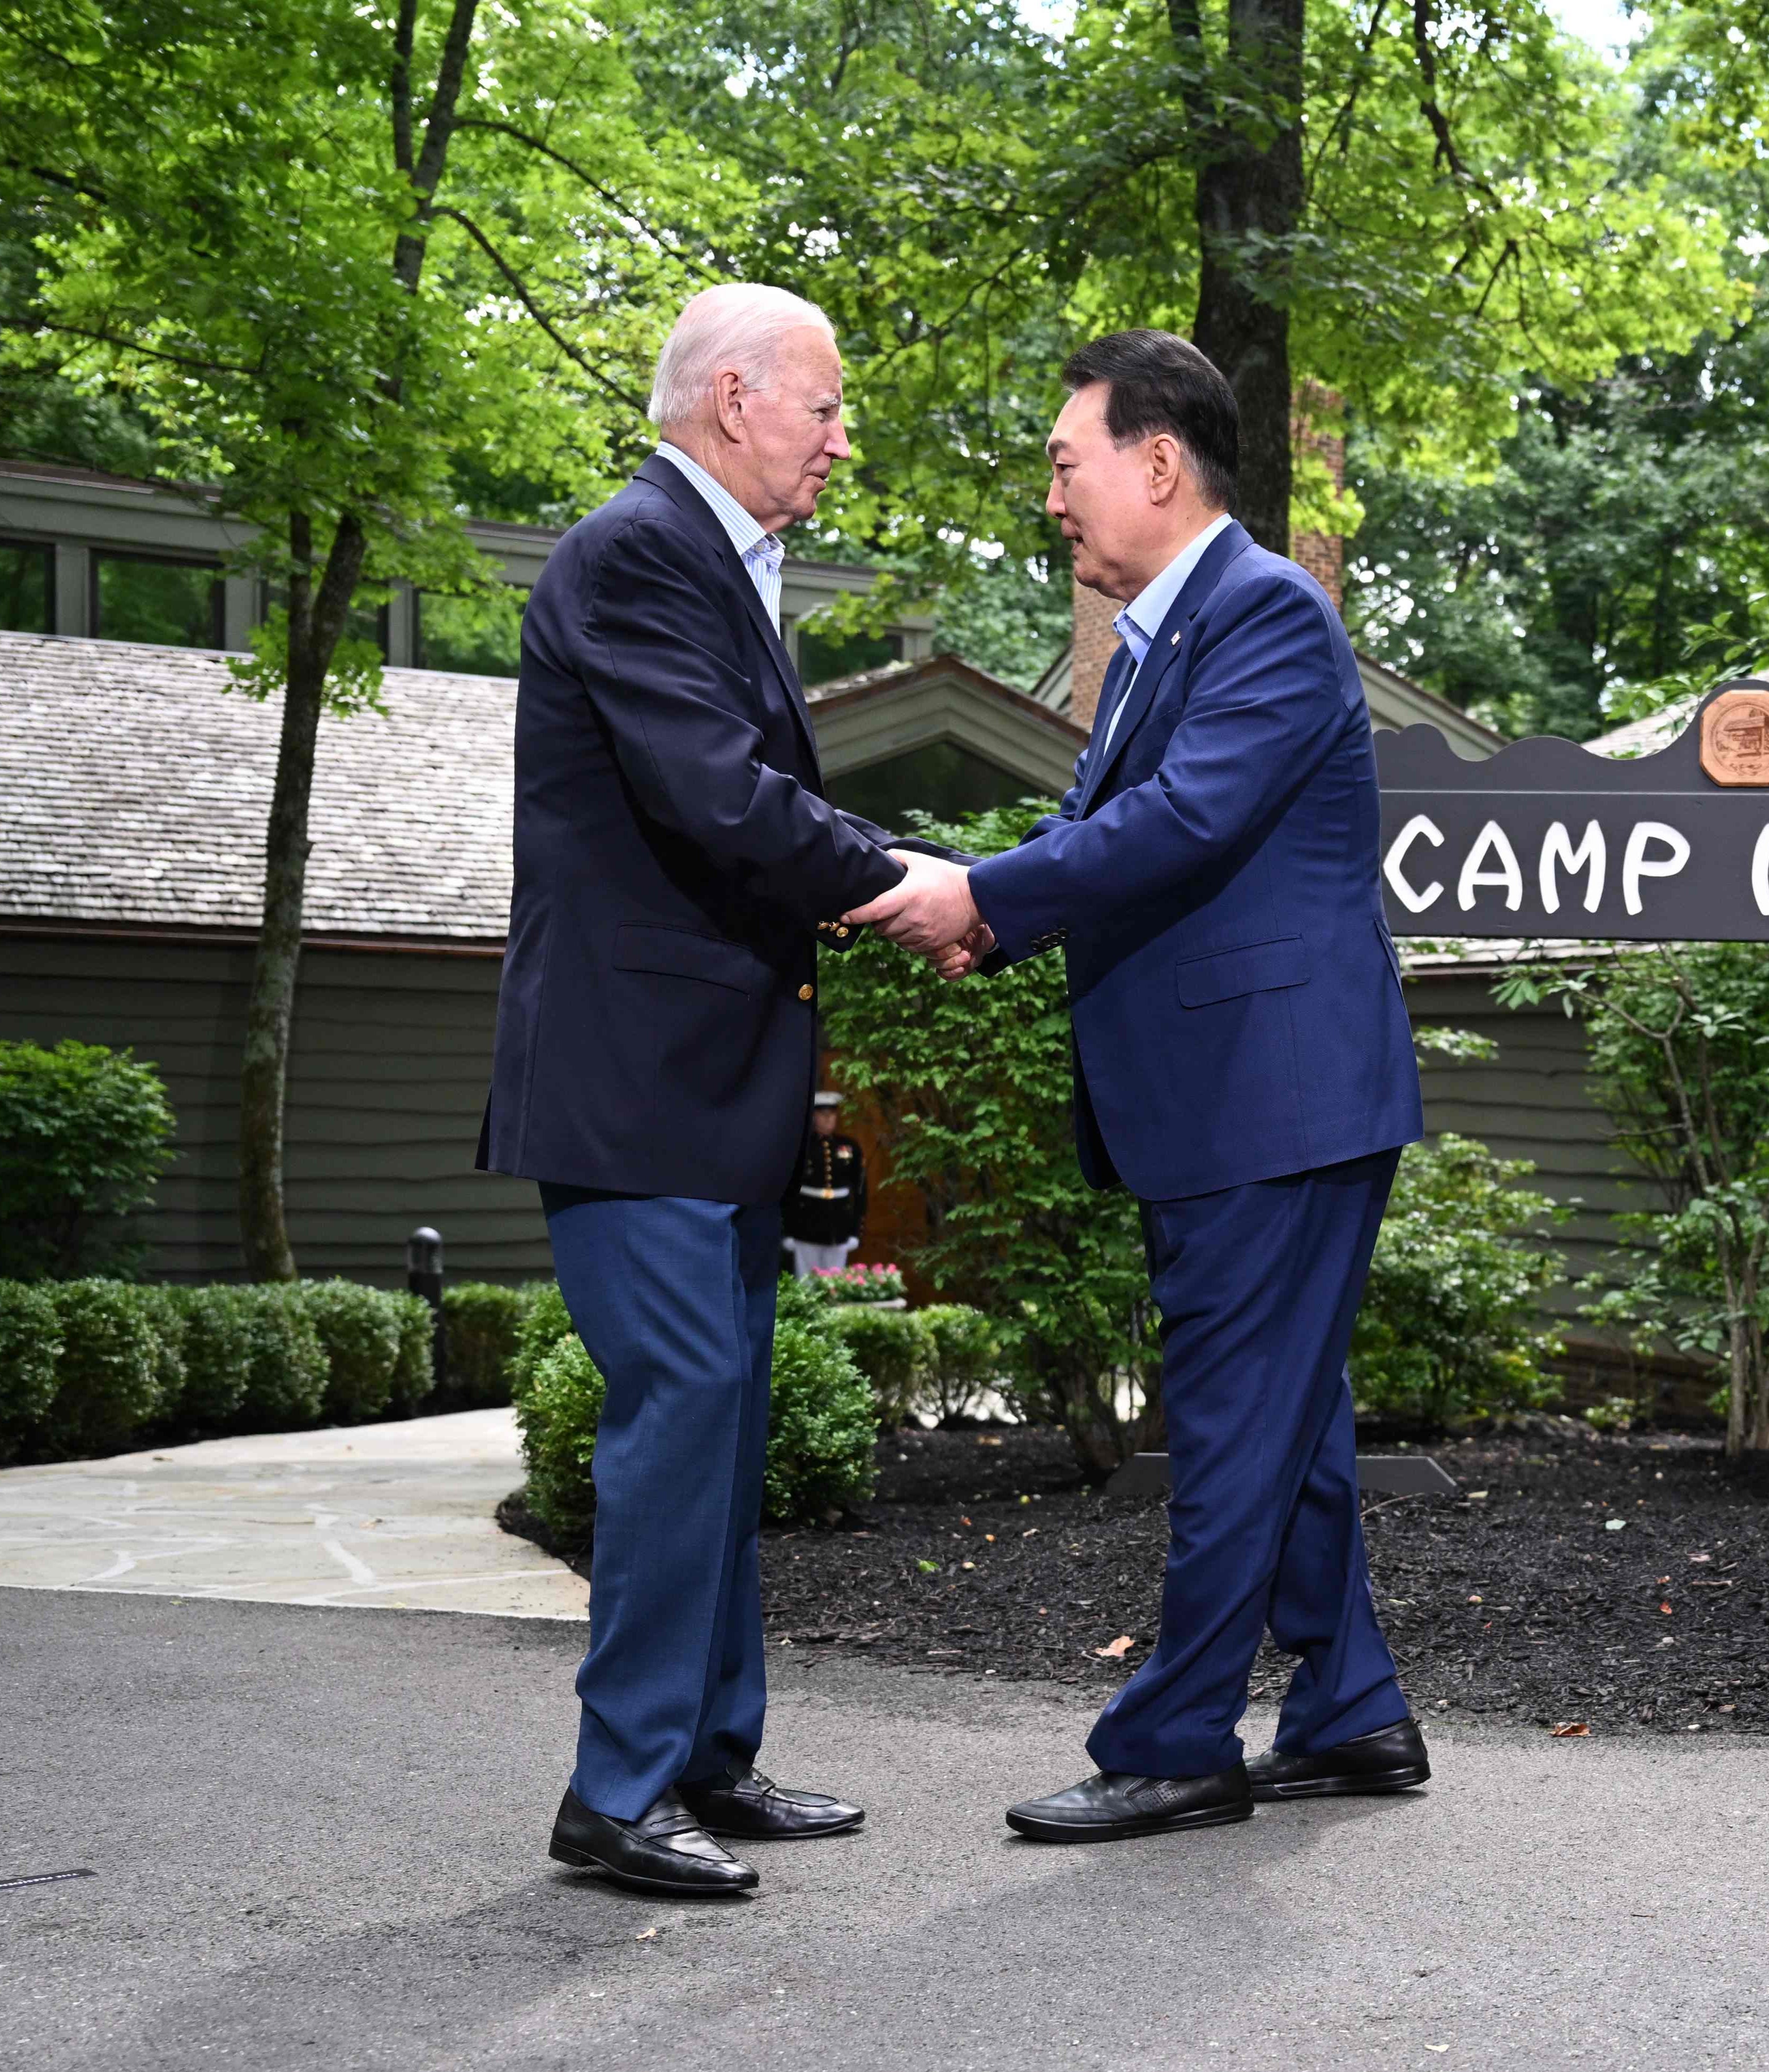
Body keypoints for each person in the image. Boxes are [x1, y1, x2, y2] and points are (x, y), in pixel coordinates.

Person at [846, 329, 1429, 1843]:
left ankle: (1175, 1739)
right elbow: (1141, 843)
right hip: (1237, 1099)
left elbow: (1184, 822)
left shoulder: (1267, 618)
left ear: (1157, 463)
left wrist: (987, 897)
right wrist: (1013, 915)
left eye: (1065, 461)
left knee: (1234, 1416)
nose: (1052, 497)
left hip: (1275, 1102)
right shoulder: (1170, 638)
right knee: (1283, 1415)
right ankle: (1352, 1710)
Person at [480, 282, 974, 1896]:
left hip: (713, 1087)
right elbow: (714, 794)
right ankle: (614, 1794)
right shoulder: (633, 553)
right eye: (824, 407)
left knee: (725, 1415)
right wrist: (905, 879)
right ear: (734, 394)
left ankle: (709, 1755)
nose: (841, 438)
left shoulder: (716, 569)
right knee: (678, 1417)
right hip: (638, 1088)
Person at [781, 1091, 869, 1278]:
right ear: (814, 1116)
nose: (828, 1118)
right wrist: (787, 1232)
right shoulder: (801, 1147)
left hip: (839, 1225)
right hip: (806, 1225)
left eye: (832, 1114)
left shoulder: (850, 1146)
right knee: (807, 1282)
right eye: (823, 1114)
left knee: (835, 1282)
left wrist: (856, 1232)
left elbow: (860, 1191)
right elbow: (788, 1190)